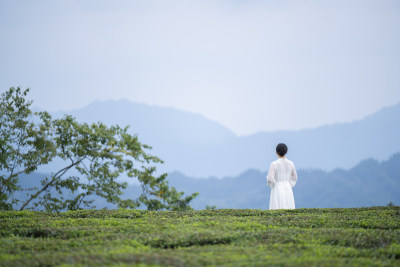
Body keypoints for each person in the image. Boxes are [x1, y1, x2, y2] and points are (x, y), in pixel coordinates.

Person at [266, 143, 298, 209]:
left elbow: (270, 179)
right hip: (288, 187)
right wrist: (289, 184)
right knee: (289, 207)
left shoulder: (274, 164)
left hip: (277, 187)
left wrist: (273, 184)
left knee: (277, 208)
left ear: (276, 152)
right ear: (286, 152)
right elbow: (295, 177)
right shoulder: (291, 163)